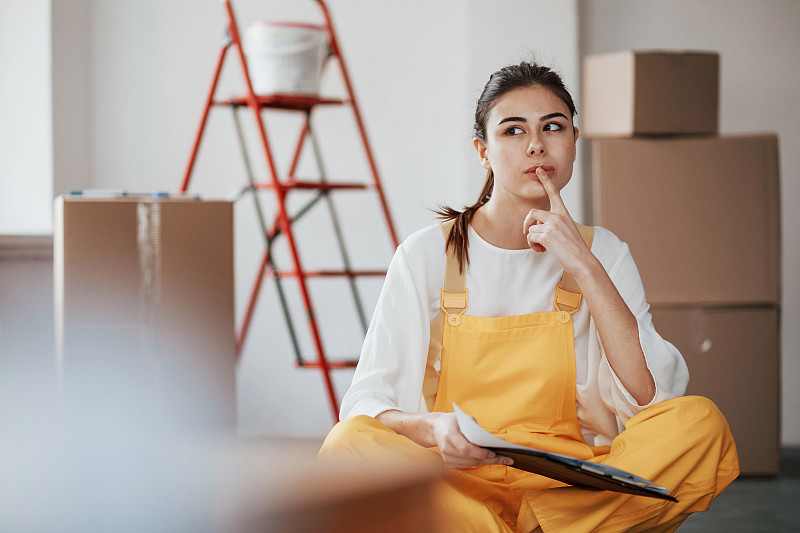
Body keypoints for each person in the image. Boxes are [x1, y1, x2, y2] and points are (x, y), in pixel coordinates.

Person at [318, 60, 739, 532]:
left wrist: (583, 264)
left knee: (700, 424)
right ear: (483, 151)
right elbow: (367, 402)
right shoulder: (425, 254)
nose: (536, 144)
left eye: (552, 127)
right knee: (347, 444)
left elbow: (650, 397)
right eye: (513, 130)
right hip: (457, 489)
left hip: (569, 490)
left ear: (574, 143)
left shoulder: (603, 252)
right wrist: (434, 428)